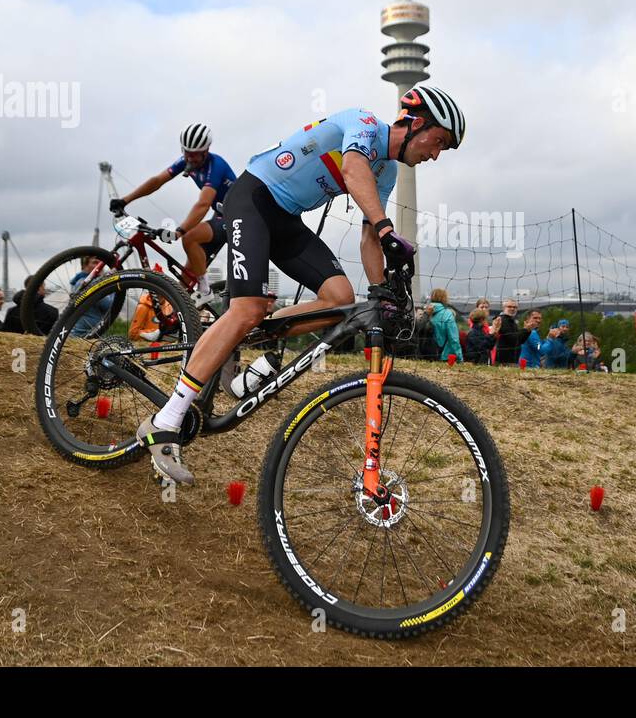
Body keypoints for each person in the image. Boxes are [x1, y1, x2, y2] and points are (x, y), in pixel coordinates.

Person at [135, 84, 466, 485]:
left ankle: (245, 340)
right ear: (416, 123)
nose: (435, 154)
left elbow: (367, 240)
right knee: (247, 307)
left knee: (339, 299)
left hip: (286, 219)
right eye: (439, 142)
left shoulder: (388, 171)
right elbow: (352, 170)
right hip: (254, 197)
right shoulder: (364, 125)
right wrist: (386, 228)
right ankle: (165, 419)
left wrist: (384, 292)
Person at [110, 124, 237, 307]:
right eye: (186, 152)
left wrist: (179, 231)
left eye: (194, 154)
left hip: (236, 215)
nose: (189, 157)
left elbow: (203, 204)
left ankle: (205, 291)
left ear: (206, 151)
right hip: (219, 213)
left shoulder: (216, 166)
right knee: (186, 277)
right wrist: (125, 200)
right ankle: (172, 325)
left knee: (189, 238)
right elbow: (157, 181)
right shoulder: (185, 161)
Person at [429, 288, 464, 363]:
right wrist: (460, 357)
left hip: (427, 355)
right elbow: (454, 339)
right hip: (444, 356)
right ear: (445, 298)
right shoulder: (447, 314)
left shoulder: (426, 313)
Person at [490, 298, 523, 366]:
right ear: (504, 307)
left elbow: (518, 340)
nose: (512, 309)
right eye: (509, 306)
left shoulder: (512, 321)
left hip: (512, 358)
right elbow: (513, 339)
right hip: (504, 360)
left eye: (515, 307)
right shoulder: (501, 320)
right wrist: (526, 330)